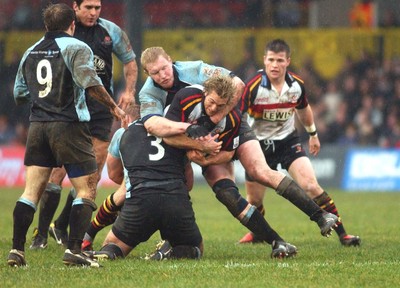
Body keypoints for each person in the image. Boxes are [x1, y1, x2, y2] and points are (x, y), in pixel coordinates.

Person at [7, 3, 126, 268]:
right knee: (86, 188)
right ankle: (74, 251)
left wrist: (44, 98)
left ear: (47, 26)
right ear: (72, 24)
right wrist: (113, 107)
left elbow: (19, 93)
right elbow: (91, 83)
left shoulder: (30, 51)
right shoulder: (77, 47)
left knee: (30, 192)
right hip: (69, 125)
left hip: (38, 126)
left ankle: (17, 250)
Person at [30, 0, 138, 249]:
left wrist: (129, 91)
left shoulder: (111, 31)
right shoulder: (63, 30)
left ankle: (62, 225)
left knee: (91, 175)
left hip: (100, 108)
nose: (93, 13)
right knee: (57, 171)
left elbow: (130, 61)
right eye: (88, 7)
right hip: (66, 108)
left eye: (97, 8)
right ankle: (40, 234)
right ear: (75, 7)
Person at [237, 38, 361, 247]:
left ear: (288, 61)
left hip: (288, 142)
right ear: (264, 60)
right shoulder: (253, 86)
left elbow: (304, 109)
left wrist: (313, 134)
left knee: (311, 186)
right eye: (271, 60)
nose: (275, 65)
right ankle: (258, 233)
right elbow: (237, 116)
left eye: (279, 60)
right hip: (257, 147)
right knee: (254, 200)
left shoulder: (296, 85)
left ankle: (343, 235)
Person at [89, 111, 204, 260]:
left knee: (112, 245)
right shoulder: (176, 134)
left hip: (140, 200)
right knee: (195, 248)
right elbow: (188, 183)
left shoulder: (123, 132)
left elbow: (113, 174)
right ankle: (172, 252)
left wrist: (137, 178)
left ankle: (106, 251)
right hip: (175, 199)